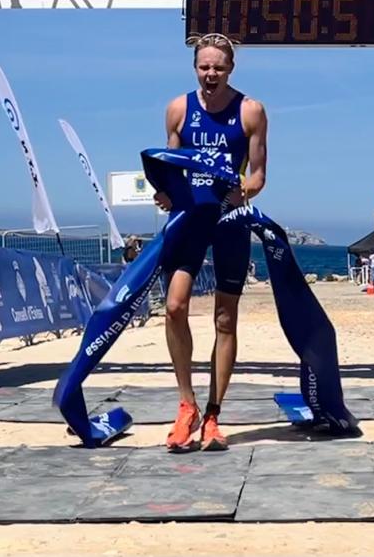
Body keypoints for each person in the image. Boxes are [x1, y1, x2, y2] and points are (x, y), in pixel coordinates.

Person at [153, 33, 268, 452]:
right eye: (204, 66)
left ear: (230, 69)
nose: (211, 74)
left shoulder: (251, 111)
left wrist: (244, 192)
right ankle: (187, 406)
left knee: (224, 319)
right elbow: (170, 167)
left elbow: (257, 173)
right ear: (195, 68)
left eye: (218, 67)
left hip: (229, 221)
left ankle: (214, 413)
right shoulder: (178, 109)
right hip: (190, 219)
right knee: (175, 307)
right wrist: (163, 192)